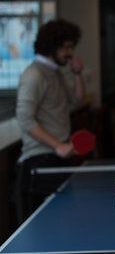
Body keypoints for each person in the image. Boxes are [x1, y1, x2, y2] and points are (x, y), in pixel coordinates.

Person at [15, 19, 86, 217]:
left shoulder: (55, 73)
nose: (71, 53)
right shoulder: (34, 75)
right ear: (51, 46)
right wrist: (57, 145)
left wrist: (77, 73)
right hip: (41, 162)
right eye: (66, 47)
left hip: (57, 157)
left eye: (71, 47)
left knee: (63, 218)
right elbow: (25, 119)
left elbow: (79, 99)